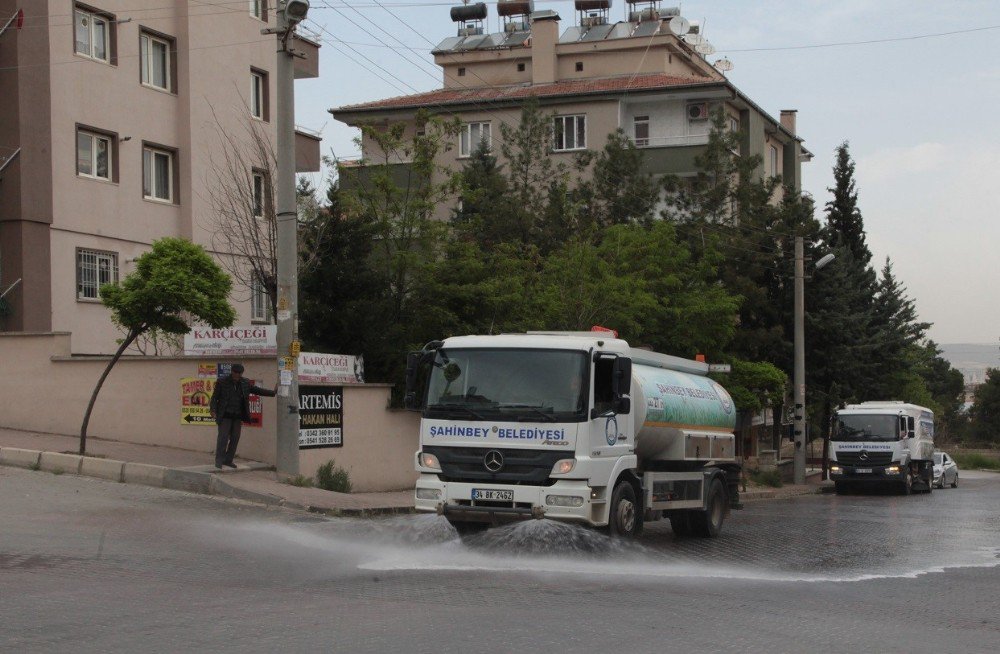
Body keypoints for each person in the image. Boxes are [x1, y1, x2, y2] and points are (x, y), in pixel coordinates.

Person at [209, 364, 276, 470]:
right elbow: (214, 398)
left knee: (235, 438)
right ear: (232, 372)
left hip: (237, 416)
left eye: (239, 373)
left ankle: (228, 460)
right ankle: (219, 461)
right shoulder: (222, 382)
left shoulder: (245, 383)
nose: (237, 375)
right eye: (235, 372)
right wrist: (212, 410)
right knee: (223, 438)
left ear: (242, 373)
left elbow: (257, 390)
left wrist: (273, 393)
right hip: (225, 415)